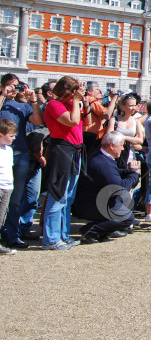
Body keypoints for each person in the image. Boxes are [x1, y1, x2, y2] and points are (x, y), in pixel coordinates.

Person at [0, 74, 45, 249]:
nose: (14, 89)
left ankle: (12, 236)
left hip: (19, 153)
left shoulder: (22, 106)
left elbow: (38, 121)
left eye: (16, 86)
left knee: (15, 199)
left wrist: (33, 102)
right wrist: (3, 94)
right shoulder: (2, 101)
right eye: (10, 85)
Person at [41, 76, 85, 250]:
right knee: (57, 194)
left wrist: (81, 103)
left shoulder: (70, 105)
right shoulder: (54, 105)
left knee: (68, 197)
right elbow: (72, 121)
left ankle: (63, 234)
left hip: (75, 150)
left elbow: (83, 121)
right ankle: (50, 238)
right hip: (62, 150)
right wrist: (75, 101)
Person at [74, 131, 140, 244]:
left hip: (93, 200)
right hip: (90, 204)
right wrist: (134, 175)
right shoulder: (102, 162)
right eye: (121, 145)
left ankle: (103, 231)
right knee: (127, 218)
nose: (123, 149)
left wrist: (127, 172)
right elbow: (119, 187)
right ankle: (90, 230)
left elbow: (113, 174)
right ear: (112, 146)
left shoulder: (101, 156)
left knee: (120, 203)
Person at [82, 82, 118, 160]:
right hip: (89, 135)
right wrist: (114, 98)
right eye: (97, 89)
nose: (99, 92)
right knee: (89, 158)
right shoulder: (91, 100)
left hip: (87, 134)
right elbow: (107, 114)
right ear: (89, 91)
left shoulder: (87, 100)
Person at [109, 93, 145, 171]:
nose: (133, 108)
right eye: (131, 106)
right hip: (115, 157)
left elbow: (140, 140)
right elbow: (109, 136)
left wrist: (123, 137)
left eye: (134, 105)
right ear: (122, 107)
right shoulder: (114, 120)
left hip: (130, 157)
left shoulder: (136, 121)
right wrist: (132, 139)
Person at [0, 119, 18, 255]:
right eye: (11, 136)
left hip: (7, 187)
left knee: (2, 217)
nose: (14, 138)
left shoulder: (9, 150)